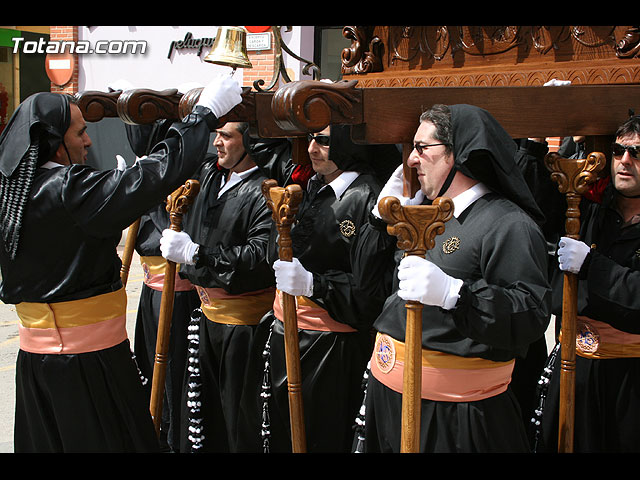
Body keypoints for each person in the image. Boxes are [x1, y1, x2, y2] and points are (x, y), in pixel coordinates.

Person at [0, 75, 243, 452]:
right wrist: (204, 114)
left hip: (37, 362)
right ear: (54, 141)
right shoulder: (67, 189)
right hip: (86, 365)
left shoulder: (14, 192)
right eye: (79, 132)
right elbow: (156, 174)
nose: (88, 140)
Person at [351, 104, 552, 453]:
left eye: (421, 148)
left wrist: (456, 295)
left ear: (457, 154)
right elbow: (366, 288)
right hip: (390, 401)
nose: (411, 161)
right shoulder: (421, 217)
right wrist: (378, 220)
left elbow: (531, 314)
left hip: (450, 416)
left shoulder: (507, 224)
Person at [236, 124, 401, 453]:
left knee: (320, 433)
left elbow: (371, 291)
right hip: (285, 329)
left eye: (324, 141)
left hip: (330, 346)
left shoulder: (366, 197)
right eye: (310, 138)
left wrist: (315, 285)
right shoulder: (306, 182)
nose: (312, 148)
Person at [159, 121, 278, 453]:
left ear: (250, 141)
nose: (217, 143)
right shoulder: (211, 178)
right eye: (217, 135)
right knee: (204, 414)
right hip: (206, 316)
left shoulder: (264, 190)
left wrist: (198, 254)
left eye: (227, 136)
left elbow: (258, 255)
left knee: (238, 417)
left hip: (243, 328)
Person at [529, 114, 640, 453]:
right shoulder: (587, 207)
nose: (624, 161)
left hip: (631, 379)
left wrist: (594, 266)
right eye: (619, 150)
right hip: (574, 366)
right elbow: (533, 206)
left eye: (637, 153)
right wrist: (538, 140)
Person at [121, 118, 200, 453]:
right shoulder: (146, 175)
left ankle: (173, 438)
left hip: (179, 295)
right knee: (151, 369)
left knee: (174, 376)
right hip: (151, 294)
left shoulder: (180, 180)